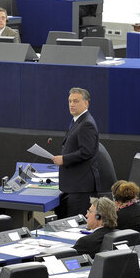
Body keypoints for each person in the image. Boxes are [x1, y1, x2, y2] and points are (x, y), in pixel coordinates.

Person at [52, 87, 100, 217]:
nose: (72, 104)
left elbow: (86, 151)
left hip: (81, 187)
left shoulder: (86, 124)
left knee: (76, 225)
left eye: (76, 101)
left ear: (86, 103)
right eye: (70, 101)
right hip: (74, 185)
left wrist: (64, 159)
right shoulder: (77, 120)